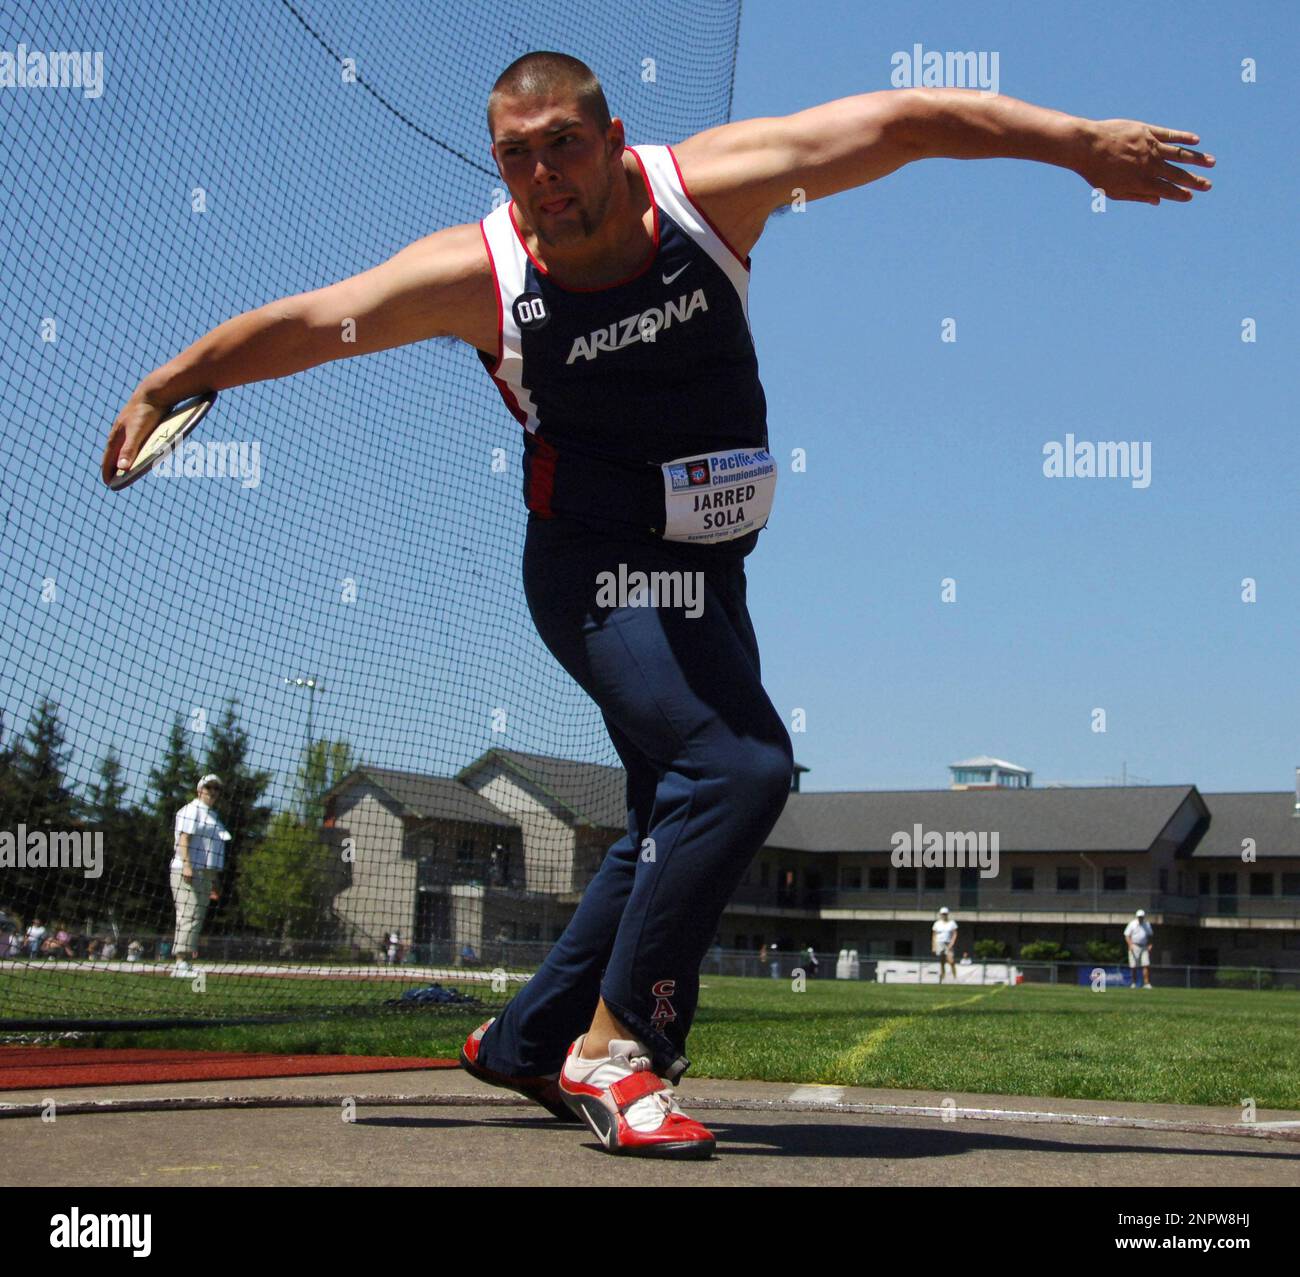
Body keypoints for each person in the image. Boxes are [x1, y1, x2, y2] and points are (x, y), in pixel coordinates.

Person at [103, 52, 1211, 1158]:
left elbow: (907, 120)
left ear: (615, 137)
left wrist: (1074, 145)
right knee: (737, 767)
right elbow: (314, 319)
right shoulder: (478, 275)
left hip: (707, 563)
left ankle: (529, 1037)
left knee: (666, 816)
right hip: (594, 568)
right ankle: (617, 1049)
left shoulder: (711, 189)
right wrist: (169, 380)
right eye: (516, 156)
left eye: (564, 146)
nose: (542, 175)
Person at [170, 774, 229, 977]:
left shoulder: (213, 816)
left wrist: (214, 879)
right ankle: (180, 962)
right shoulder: (191, 810)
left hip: (205, 874)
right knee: (189, 914)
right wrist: (187, 866)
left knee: (197, 915)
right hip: (188, 871)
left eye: (216, 789)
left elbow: (212, 850)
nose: (212, 792)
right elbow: (184, 839)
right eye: (209, 787)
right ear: (199, 790)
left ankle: (185, 960)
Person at [1124, 908, 1155, 989]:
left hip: (1144, 946)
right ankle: (1133, 983)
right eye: (1139, 917)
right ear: (1137, 917)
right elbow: (1127, 935)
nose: (1140, 918)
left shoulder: (1147, 924)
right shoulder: (1132, 924)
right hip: (1134, 946)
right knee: (1133, 966)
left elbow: (1151, 935)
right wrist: (1130, 945)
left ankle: (1146, 983)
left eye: (1141, 917)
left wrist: (1150, 944)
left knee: (1146, 964)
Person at [932, 907, 959, 982]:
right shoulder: (937, 923)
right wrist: (934, 946)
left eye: (945, 914)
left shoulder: (952, 923)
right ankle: (942, 977)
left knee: (951, 961)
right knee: (942, 961)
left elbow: (955, 934)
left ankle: (955, 977)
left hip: (948, 943)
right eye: (942, 914)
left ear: (947, 914)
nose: (944, 915)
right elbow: (934, 935)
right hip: (939, 943)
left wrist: (952, 943)